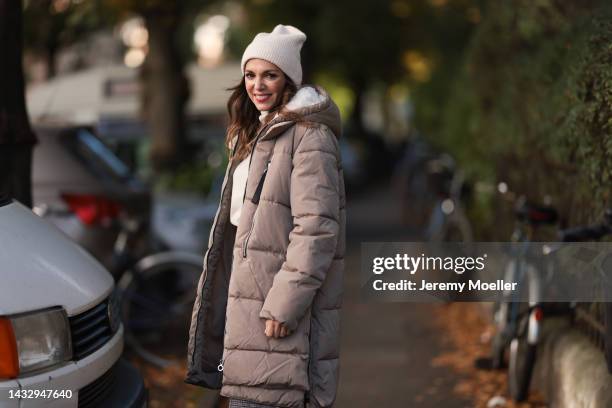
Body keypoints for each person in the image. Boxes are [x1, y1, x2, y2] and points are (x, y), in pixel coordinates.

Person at [186, 25, 346, 408]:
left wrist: (285, 304)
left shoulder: (309, 137)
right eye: (251, 74)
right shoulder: (255, 133)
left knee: (266, 398)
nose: (258, 85)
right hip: (247, 302)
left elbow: (316, 229)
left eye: (270, 75)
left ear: (289, 78)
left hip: (276, 309)